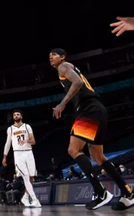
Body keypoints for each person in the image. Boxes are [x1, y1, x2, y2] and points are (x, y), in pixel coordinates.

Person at [50, 48, 134, 210]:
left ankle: (100, 193)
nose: (50, 58)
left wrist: (62, 104)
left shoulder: (63, 67)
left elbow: (78, 82)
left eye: (53, 55)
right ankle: (127, 193)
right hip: (98, 109)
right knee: (97, 156)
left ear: (62, 57)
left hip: (88, 109)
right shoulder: (69, 67)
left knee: (74, 150)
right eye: (49, 56)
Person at [2, 109, 41, 207]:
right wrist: (4, 157)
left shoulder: (27, 126)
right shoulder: (10, 129)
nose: (16, 116)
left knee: (31, 177)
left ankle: (25, 197)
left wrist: (26, 141)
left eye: (18, 114)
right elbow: (8, 143)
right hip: (18, 154)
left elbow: (33, 141)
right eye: (14, 115)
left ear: (21, 116)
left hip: (29, 152)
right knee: (25, 176)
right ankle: (35, 199)